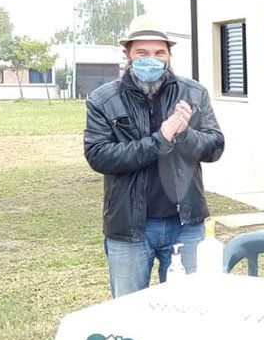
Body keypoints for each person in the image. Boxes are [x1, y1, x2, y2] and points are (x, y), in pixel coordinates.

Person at [84, 16, 225, 297]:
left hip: (186, 224)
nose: (152, 59)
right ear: (127, 55)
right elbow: (98, 155)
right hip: (129, 227)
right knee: (128, 309)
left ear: (169, 55)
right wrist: (159, 140)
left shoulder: (193, 93)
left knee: (191, 306)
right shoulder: (104, 100)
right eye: (142, 53)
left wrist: (184, 133)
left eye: (159, 52)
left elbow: (214, 148)